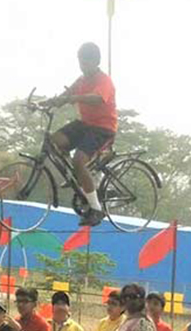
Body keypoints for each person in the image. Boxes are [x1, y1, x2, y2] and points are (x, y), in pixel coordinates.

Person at [42, 42, 117, 227]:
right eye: (80, 61)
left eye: (86, 62)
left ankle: (96, 209)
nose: (82, 65)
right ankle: (78, 177)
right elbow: (64, 96)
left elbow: (97, 98)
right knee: (54, 141)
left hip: (103, 128)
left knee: (78, 160)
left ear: (95, 61)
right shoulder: (81, 80)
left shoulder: (104, 80)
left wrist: (74, 98)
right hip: (85, 124)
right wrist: (45, 102)